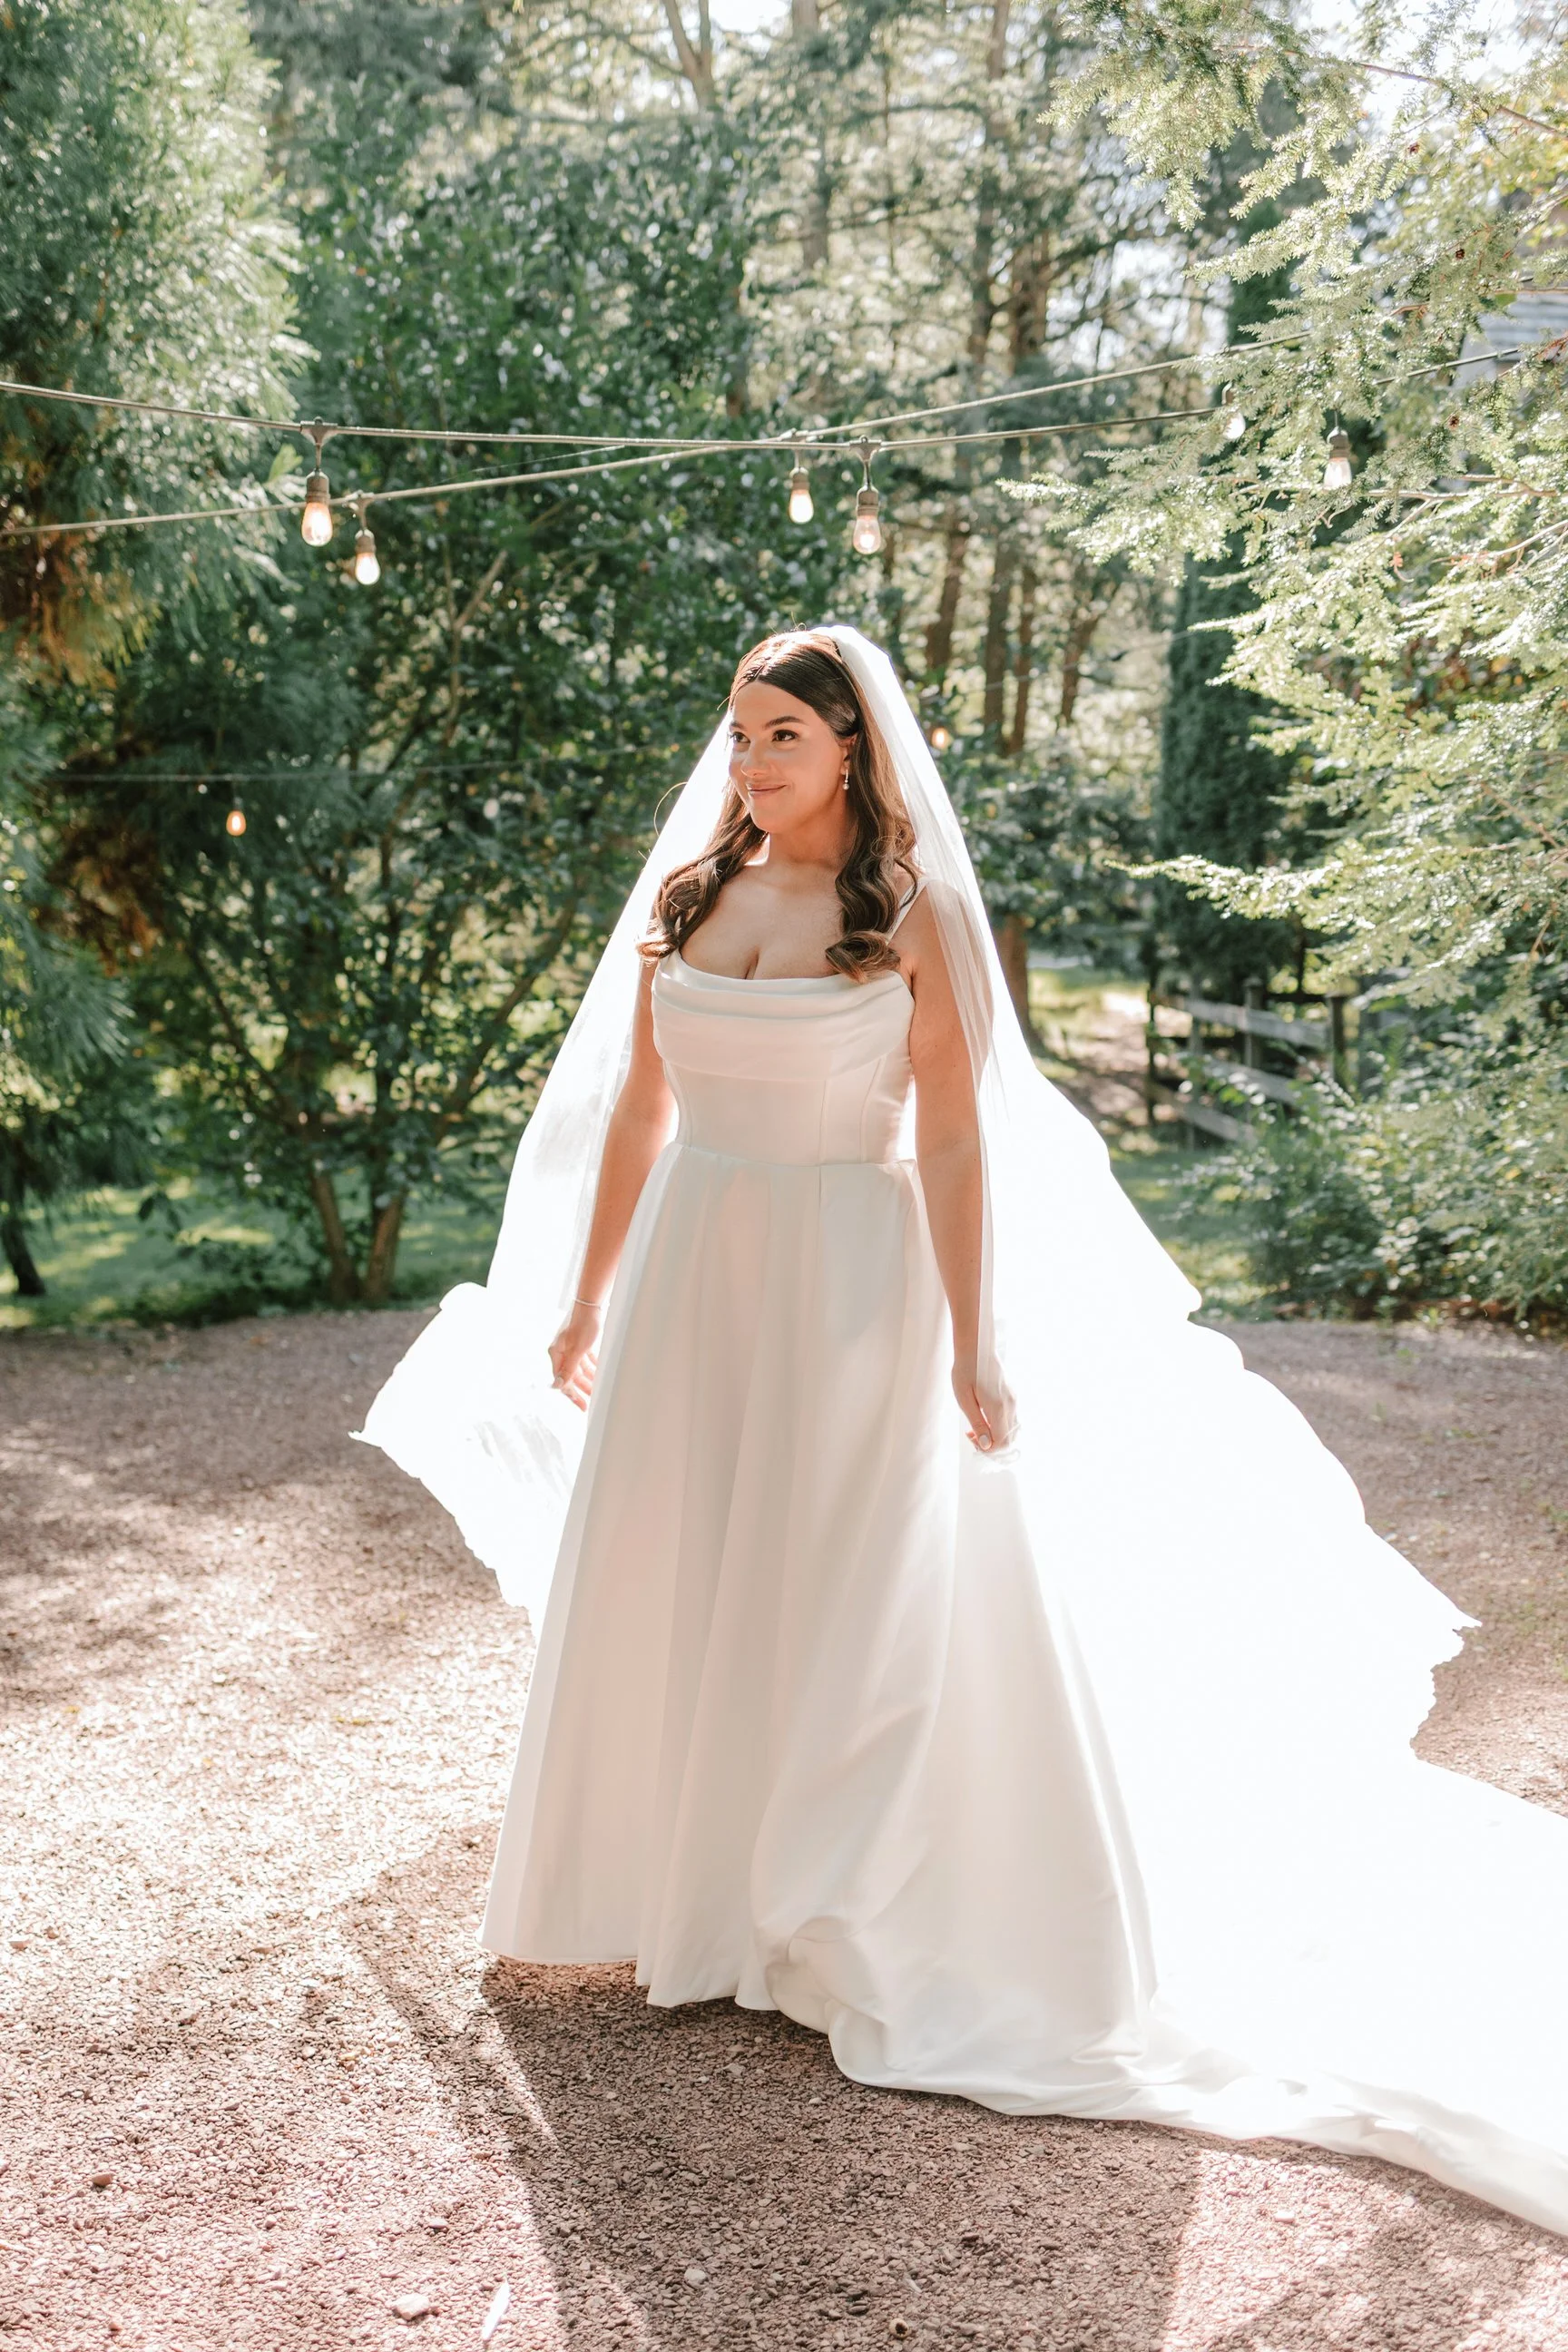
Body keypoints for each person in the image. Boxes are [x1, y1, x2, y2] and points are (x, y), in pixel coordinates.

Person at [362, 624, 1568, 2235]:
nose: (751, 762)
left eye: (782, 733)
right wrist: (583, 1305)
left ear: (853, 748)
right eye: (739, 734)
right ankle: (689, 1890)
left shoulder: (916, 916)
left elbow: (954, 1141)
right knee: (688, 1558)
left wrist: (975, 1334)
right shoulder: (692, 902)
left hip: (857, 1288)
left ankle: (838, 1903)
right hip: (693, 1279)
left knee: (857, 1584)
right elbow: (639, 1117)